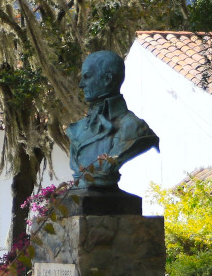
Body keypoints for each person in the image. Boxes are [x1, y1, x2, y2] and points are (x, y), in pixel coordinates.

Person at [67, 50, 159, 190]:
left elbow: (110, 162)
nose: (81, 84)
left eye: (87, 77)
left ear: (107, 79)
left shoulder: (133, 127)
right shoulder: (77, 130)